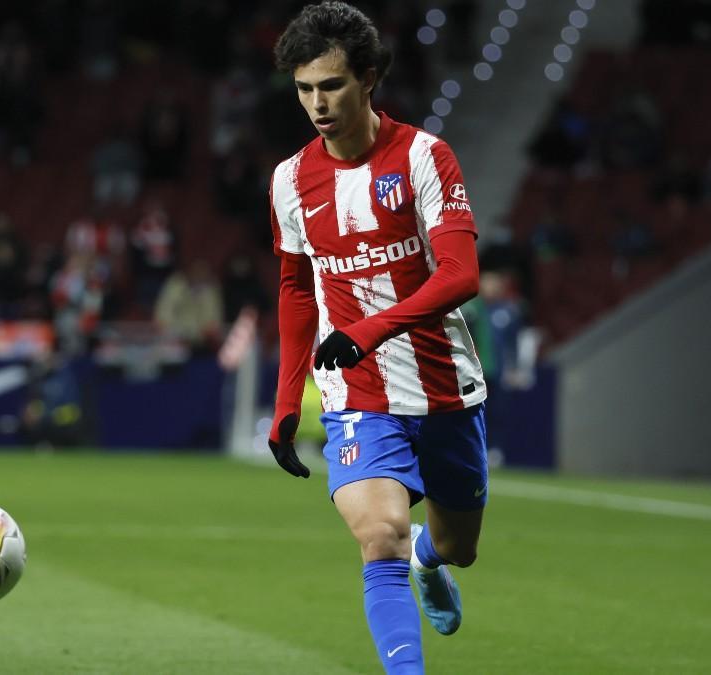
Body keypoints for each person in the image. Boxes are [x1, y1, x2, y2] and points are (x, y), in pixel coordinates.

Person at [268, 4, 488, 673]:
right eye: (305, 89)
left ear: (367, 78)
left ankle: (431, 560)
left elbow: (462, 273)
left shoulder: (425, 157)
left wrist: (368, 330)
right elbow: (297, 289)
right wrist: (285, 400)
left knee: (457, 546)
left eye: (330, 85)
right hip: (357, 391)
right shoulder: (289, 180)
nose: (317, 103)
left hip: (443, 383)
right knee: (379, 535)